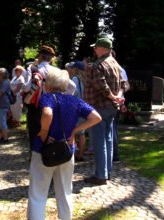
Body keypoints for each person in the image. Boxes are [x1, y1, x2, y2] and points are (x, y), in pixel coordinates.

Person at [27, 68, 101, 220]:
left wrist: (44, 132)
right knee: (65, 192)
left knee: (38, 193)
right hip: (67, 151)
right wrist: (74, 131)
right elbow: (96, 117)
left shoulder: (46, 98)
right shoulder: (75, 100)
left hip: (43, 149)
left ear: (48, 84)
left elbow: (47, 113)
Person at [83, 38, 126, 185]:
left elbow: (100, 85)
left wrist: (113, 96)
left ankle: (101, 176)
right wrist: (118, 97)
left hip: (99, 107)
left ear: (102, 48)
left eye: (95, 48)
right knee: (108, 139)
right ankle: (107, 173)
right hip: (112, 108)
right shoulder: (115, 63)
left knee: (99, 141)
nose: (94, 50)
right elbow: (123, 84)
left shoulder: (98, 65)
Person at [66, 61, 87, 161]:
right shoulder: (86, 79)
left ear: (76, 69)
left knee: (72, 132)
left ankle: (72, 155)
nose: (71, 69)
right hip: (85, 108)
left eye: (73, 68)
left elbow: (74, 93)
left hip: (75, 108)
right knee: (82, 133)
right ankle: (81, 154)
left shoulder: (75, 79)